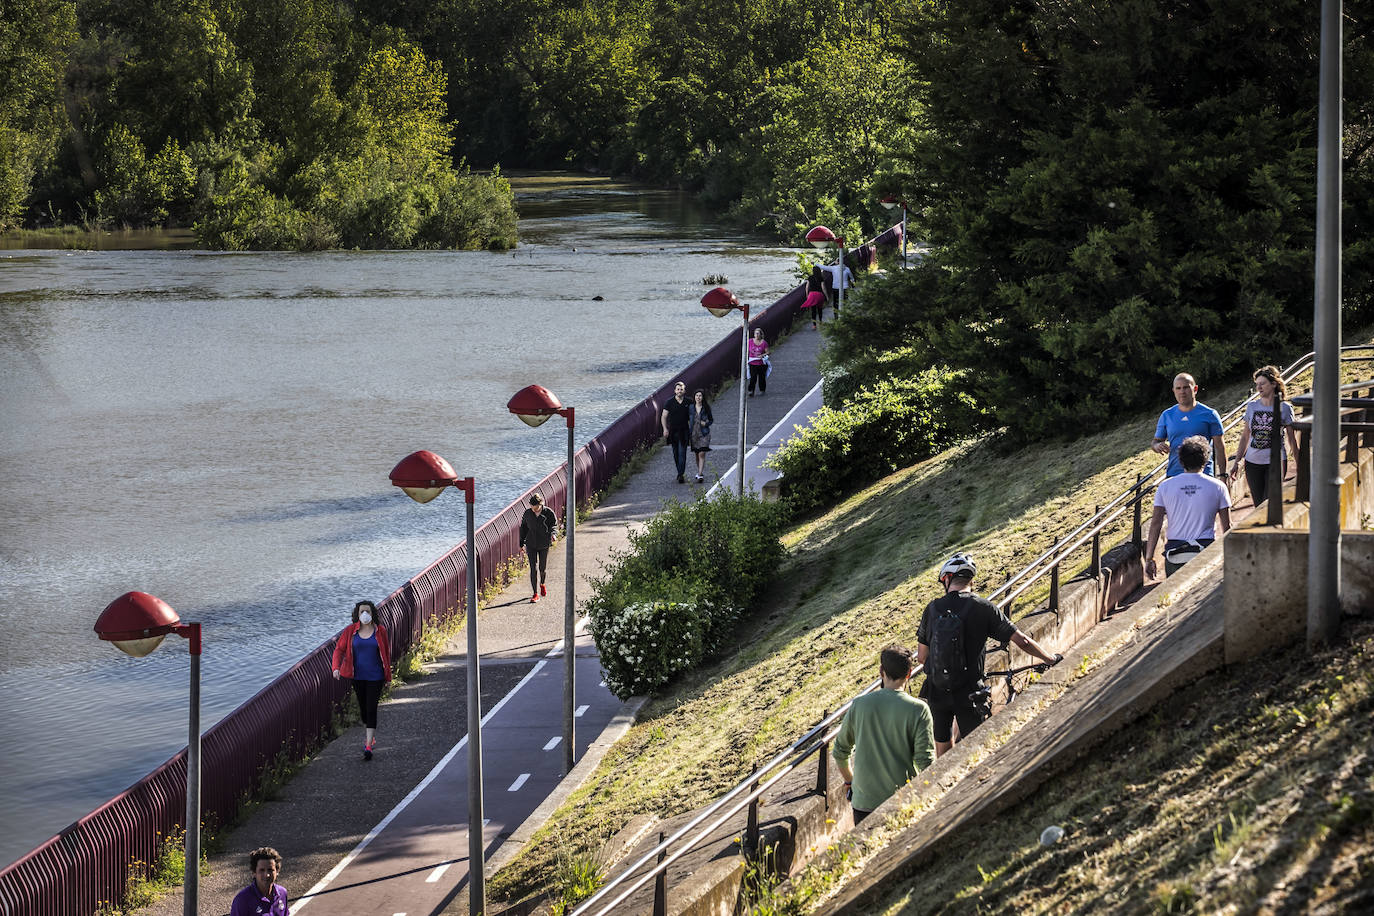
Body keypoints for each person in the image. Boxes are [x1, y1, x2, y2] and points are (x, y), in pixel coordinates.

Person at [917, 553, 1061, 758]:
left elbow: (922, 657)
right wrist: (1050, 659)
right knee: (976, 749)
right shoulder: (983, 607)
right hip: (969, 690)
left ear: (946, 580)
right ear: (971, 581)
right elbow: (1023, 641)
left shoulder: (931, 609)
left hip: (937, 689)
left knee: (943, 746)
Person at [832, 645, 935, 824]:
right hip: (903, 799)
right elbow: (925, 762)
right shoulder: (919, 710)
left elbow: (840, 751)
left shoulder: (859, 705)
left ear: (881, 671)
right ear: (909, 673)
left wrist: (850, 782)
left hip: (864, 803)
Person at [1145, 435, 1233, 578]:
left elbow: (1155, 524)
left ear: (1180, 460)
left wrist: (1149, 558)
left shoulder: (1165, 487)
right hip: (1205, 551)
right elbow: (1227, 527)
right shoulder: (1218, 487)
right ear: (1205, 459)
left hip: (1175, 554)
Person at [1229, 365, 1298, 507]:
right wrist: (1237, 461)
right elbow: (1245, 436)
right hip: (1253, 463)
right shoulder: (1252, 407)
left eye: (1262, 384)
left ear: (1274, 384)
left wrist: (1300, 464)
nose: (1259, 388)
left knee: (1270, 503)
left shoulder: (1285, 408)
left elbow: (1292, 439)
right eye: (1257, 384)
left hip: (1276, 461)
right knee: (1258, 505)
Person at [331, 600, 392, 761]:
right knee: (364, 709)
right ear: (357, 615)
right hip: (357, 677)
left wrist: (388, 677)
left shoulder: (381, 631)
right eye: (362, 611)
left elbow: (386, 654)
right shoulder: (350, 631)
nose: (365, 614)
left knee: (371, 708)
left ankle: (368, 744)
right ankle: (369, 733)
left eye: (368, 611)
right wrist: (336, 668)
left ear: (372, 613)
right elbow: (339, 650)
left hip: (376, 677)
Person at [1152, 372, 1227, 478]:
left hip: (1203, 475)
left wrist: (1223, 475)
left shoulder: (1210, 414)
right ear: (1173, 391)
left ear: (1195, 389)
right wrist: (1157, 446)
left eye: (1186, 387)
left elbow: (1220, 447)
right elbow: (1155, 441)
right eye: (1178, 388)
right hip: (1175, 474)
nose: (1182, 392)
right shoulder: (1167, 415)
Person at [519, 493, 558, 602]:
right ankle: (535, 594)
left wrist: (553, 534)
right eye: (532, 507)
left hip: (544, 544)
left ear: (541, 505)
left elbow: (554, 525)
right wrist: (521, 544)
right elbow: (523, 528)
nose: (534, 509)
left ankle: (542, 584)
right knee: (533, 568)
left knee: (542, 568)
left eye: (536, 507)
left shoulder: (548, 513)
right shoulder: (527, 513)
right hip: (531, 544)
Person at [230, 846, 288, 916]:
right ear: (254, 873)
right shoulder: (242, 900)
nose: (267, 875)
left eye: (270, 870)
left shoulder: (282, 893)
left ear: (277, 871)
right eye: (262, 870)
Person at [661, 380, 691, 484]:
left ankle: (680, 474)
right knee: (675, 453)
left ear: (684, 391)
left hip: (684, 431)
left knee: (682, 453)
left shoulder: (688, 401)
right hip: (673, 431)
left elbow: (693, 415)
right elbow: (664, 416)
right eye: (678, 389)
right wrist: (665, 429)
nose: (680, 391)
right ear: (675, 391)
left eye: (681, 389)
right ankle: (680, 472)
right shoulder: (669, 402)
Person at [688, 389, 714, 483]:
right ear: (694, 397)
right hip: (694, 433)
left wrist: (706, 423)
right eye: (696, 395)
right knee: (696, 454)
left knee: (702, 453)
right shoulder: (691, 407)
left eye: (700, 396)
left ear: (703, 397)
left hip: (704, 433)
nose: (698, 397)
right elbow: (687, 418)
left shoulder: (706, 408)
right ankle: (699, 472)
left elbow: (711, 420)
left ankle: (700, 474)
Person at [803, 265, 827, 330]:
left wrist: (807, 295)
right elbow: (823, 288)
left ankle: (814, 325)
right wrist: (826, 296)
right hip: (819, 295)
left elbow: (807, 287)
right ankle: (820, 322)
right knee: (820, 309)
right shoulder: (821, 278)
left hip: (812, 295)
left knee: (813, 311)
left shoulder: (810, 277)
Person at [747, 328, 769, 396]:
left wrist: (762, 355)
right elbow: (746, 350)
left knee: (761, 377)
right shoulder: (750, 341)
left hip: (761, 363)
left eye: (758, 333)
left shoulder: (764, 343)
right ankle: (751, 391)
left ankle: (762, 390)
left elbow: (767, 352)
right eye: (755, 333)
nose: (756, 335)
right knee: (753, 377)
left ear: (760, 335)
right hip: (752, 363)